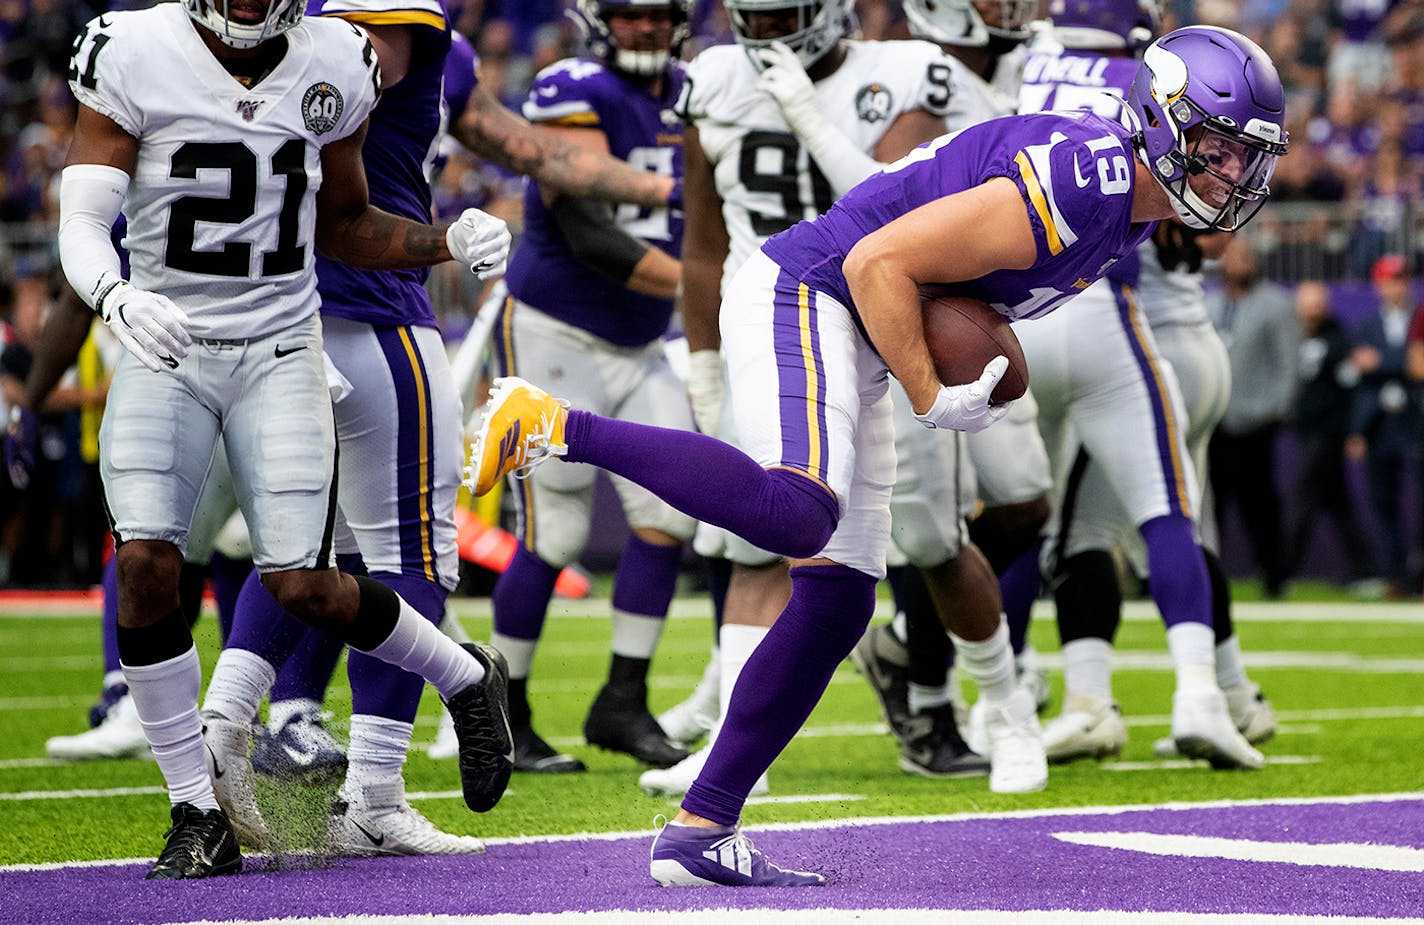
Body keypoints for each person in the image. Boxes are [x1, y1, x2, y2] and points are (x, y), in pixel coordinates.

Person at [468, 23, 1289, 887]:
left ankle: (701, 827)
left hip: (853, 322)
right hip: (813, 287)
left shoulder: (1120, 206)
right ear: (1160, 120)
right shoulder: (1090, 181)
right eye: (1216, 148)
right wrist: (932, 395)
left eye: (1246, 160)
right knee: (799, 509)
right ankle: (553, 422)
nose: (1230, 176)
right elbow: (877, 260)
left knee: (836, 601)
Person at [60, 0, 517, 879]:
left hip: (281, 345)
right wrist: (116, 297)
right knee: (148, 561)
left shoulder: (338, 56)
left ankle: (464, 676)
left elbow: (345, 224)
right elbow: (80, 221)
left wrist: (443, 239)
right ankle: (196, 809)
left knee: (305, 582)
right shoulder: (133, 45)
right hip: (167, 337)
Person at [634, 0, 960, 798]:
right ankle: (739, 755)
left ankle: (977, 710)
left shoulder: (897, 72)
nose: (771, 29)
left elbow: (913, 205)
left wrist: (812, 116)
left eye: (786, 13)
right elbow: (704, 242)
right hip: (770, 317)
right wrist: (706, 363)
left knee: (920, 539)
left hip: (878, 330)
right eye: (757, 14)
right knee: (760, 540)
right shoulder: (712, 80)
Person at [1016, 0, 1275, 767]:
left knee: (1085, 530)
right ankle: (1233, 691)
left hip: (1135, 330)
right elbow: (1220, 224)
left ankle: (1088, 697)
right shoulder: (1154, 97)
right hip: (1185, 337)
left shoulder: (1040, 81)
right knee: (1180, 525)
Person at [485, 0, 693, 775]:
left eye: (659, 16)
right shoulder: (571, 86)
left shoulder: (694, 88)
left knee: (671, 514)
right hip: (555, 328)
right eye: (631, 16)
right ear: (601, 22)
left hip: (639, 342)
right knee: (558, 530)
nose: (646, 29)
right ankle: (505, 708)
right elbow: (592, 235)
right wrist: (705, 285)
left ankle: (621, 701)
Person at [1207, 235, 1299, 599]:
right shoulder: (1209, 303)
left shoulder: (1275, 304)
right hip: (1213, 418)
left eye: (1244, 257)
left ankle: (1274, 575)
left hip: (1254, 421)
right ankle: (1206, 574)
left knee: (1259, 503)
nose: (1238, 263)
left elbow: (1288, 362)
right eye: (1232, 256)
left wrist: (1276, 407)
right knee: (1209, 503)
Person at [1286, 281, 1373, 587]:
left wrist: (1352, 431)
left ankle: (1285, 568)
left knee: (1304, 496)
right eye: (1307, 302)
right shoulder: (1292, 334)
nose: (1312, 308)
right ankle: (1365, 568)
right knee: (1338, 502)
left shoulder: (1337, 338)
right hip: (1306, 430)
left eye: (1317, 301)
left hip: (1328, 430)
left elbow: (1349, 387)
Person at [1346, 253, 1422, 598]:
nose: (1397, 286)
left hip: (1415, 421)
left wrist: (1383, 362)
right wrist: (1358, 431)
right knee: (1383, 504)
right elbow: (1360, 369)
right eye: (1391, 279)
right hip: (1379, 424)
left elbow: (1415, 366)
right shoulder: (1367, 325)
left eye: (1401, 279)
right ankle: (1394, 576)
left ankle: (1419, 575)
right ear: (1379, 284)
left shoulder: (1417, 318)